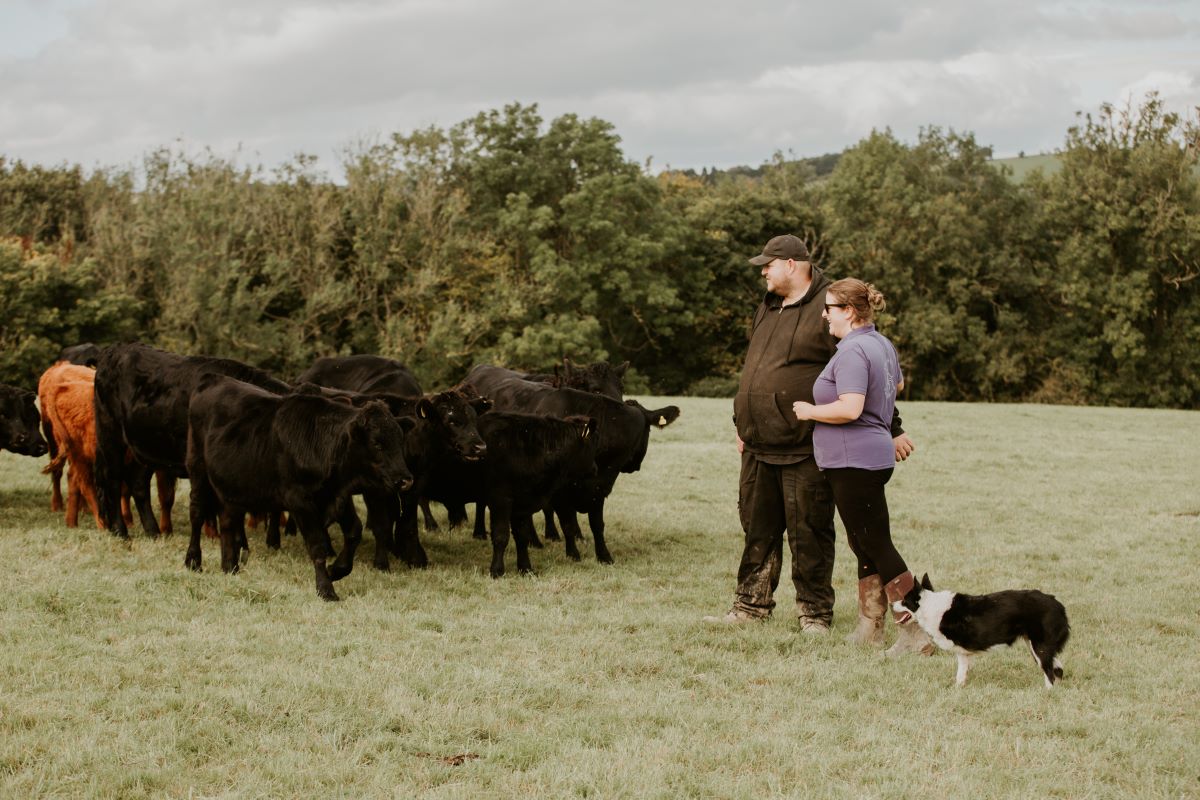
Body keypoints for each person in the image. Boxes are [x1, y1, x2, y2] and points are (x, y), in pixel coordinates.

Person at [705, 235, 915, 638]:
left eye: (768, 264)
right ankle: (750, 604)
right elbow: (755, 367)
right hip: (757, 440)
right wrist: (742, 422)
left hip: (806, 444)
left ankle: (814, 614)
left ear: (791, 263)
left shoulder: (830, 307)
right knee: (757, 525)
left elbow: (867, 373)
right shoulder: (766, 307)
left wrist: (893, 426)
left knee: (810, 530)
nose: (763, 271)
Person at [791, 278, 933, 655]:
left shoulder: (853, 350)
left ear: (849, 312)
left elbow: (850, 407)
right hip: (868, 457)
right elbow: (897, 385)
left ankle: (916, 630)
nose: (824, 315)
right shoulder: (880, 344)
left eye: (830, 309)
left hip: (854, 460)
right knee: (863, 542)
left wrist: (810, 411)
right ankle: (870, 627)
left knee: (876, 543)